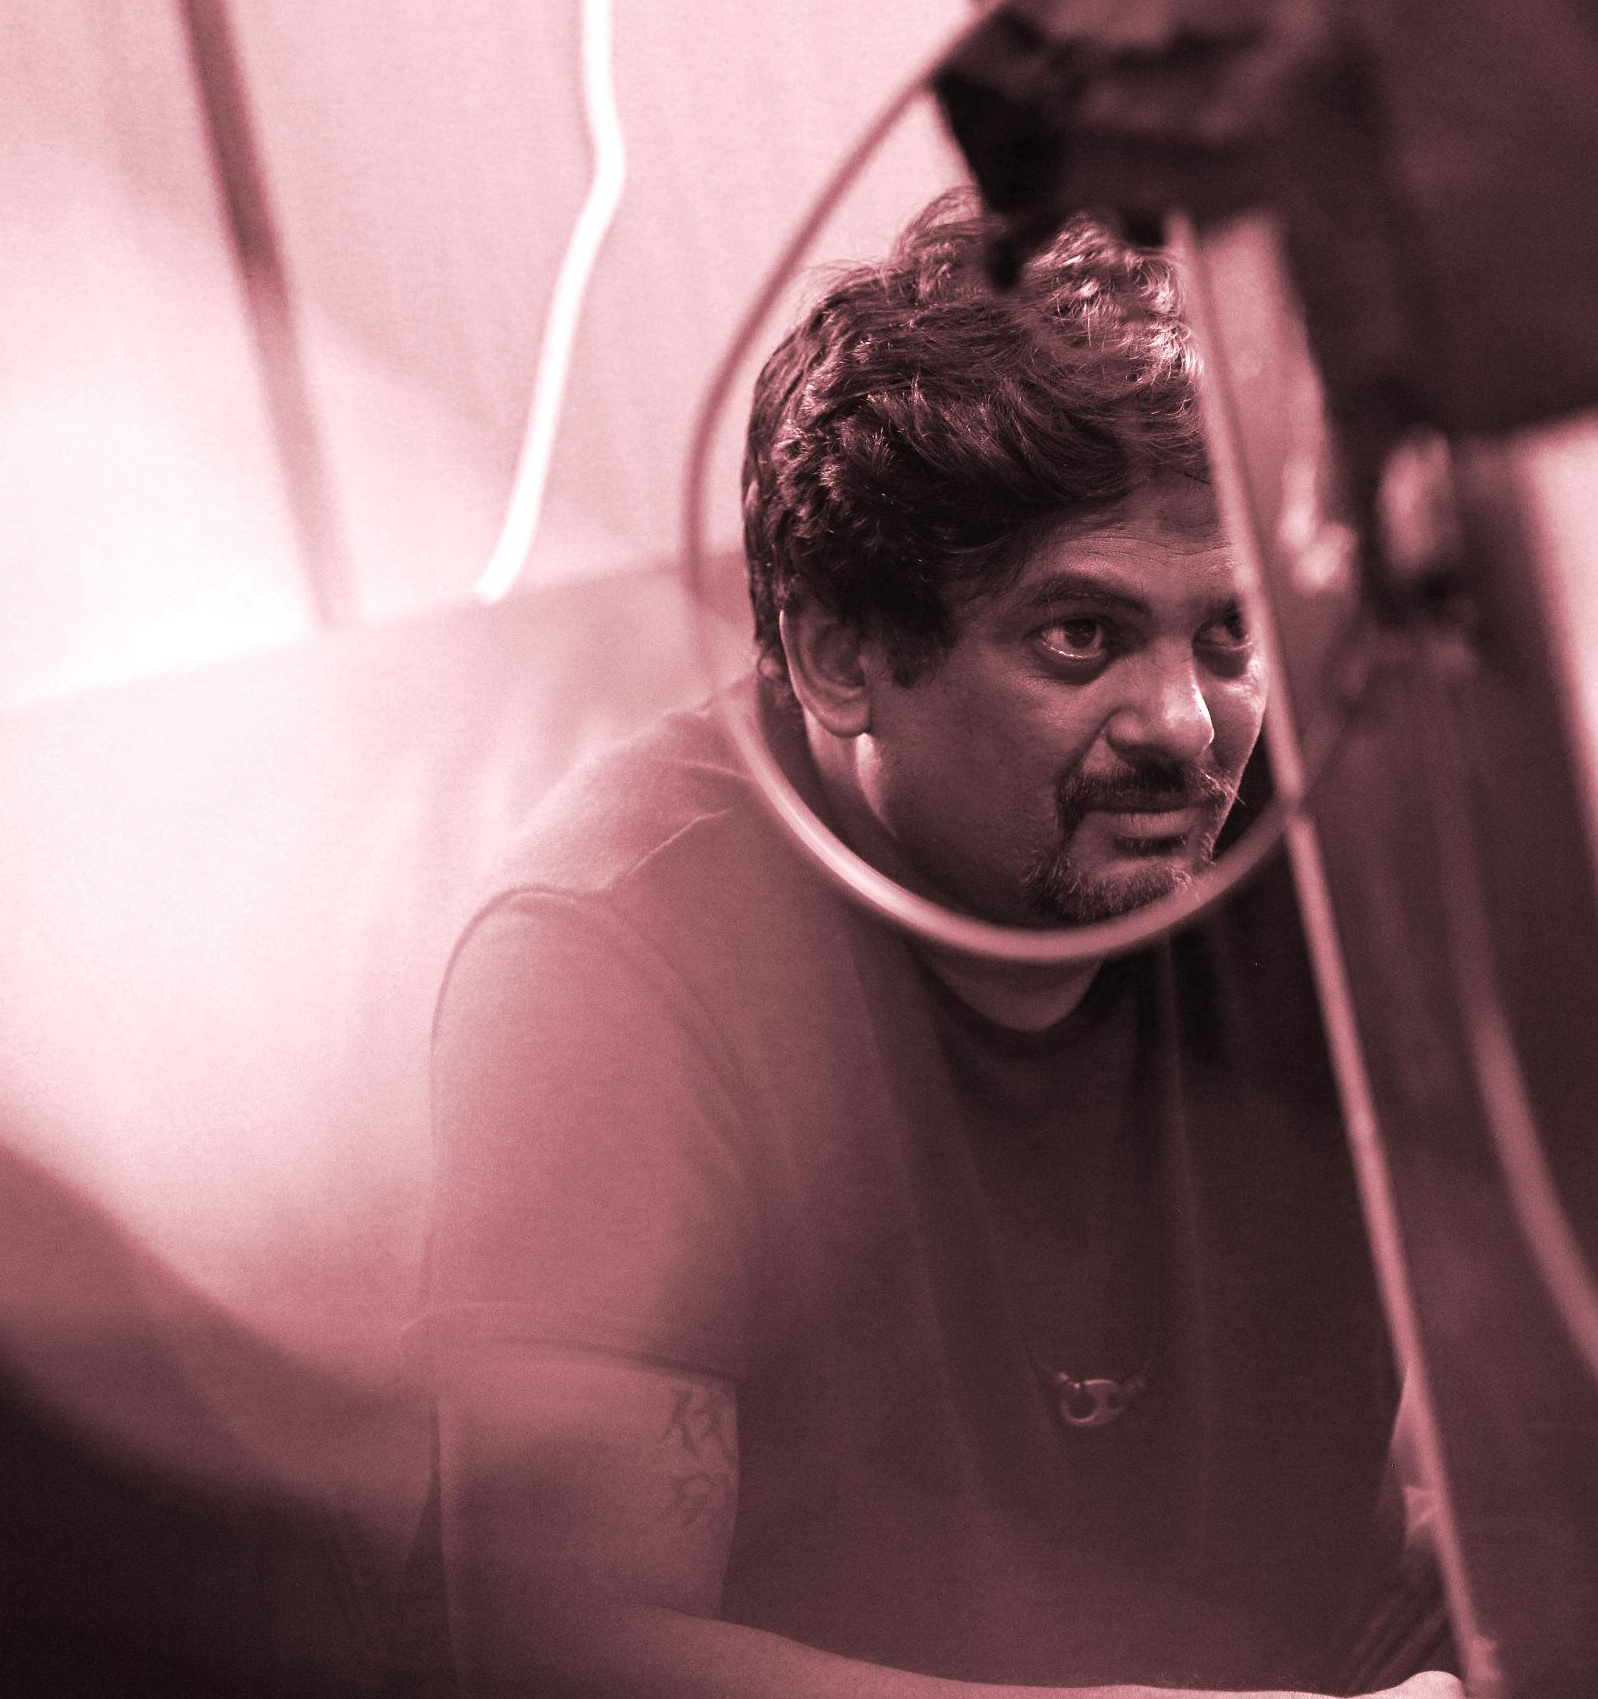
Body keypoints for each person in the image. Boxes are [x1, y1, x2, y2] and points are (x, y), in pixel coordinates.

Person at [421, 195, 1460, 1698]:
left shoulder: (1310, 834)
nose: (1185, 728)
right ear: (839, 654)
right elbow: (560, 1657)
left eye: (1226, 637)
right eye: (1081, 638)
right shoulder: (610, 955)